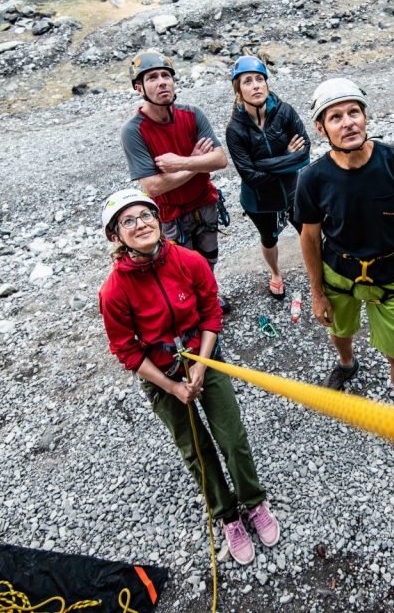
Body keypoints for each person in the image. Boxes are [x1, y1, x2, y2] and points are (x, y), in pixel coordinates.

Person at [98, 188, 279, 566]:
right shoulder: (114, 291)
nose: (141, 224)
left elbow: (211, 311)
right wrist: (172, 386)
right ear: (116, 236)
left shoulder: (188, 260)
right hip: (162, 376)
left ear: (158, 220)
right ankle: (227, 515)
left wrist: (200, 364)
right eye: (128, 221)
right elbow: (127, 350)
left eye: (146, 216)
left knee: (232, 437)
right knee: (196, 449)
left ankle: (253, 501)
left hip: (205, 359)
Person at [295, 78, 394, 425]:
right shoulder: (312, 179)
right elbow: (309, 238)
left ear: (366, 116)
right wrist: (316, 292)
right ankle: (347, 364)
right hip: (338, 272)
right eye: (336, 117)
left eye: (353, 112)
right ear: (321, 127)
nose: (348, 123)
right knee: (340, 329)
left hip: (387, 274)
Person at [120, 49, 228, 271]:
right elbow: (154, 186)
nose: (162, 83)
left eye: (166, 76)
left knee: (210, 257)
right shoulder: (134, 131)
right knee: (181, 266)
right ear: (138, 88)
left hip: (204, 202)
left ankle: (209, 296)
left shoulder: (192, 114)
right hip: (171, 214)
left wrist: (181, 163)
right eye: (152, 77)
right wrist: (198, 161)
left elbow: (219, 159)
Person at [225, 55, 311, 299]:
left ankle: (317, 270)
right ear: (239, 91)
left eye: (260, 79)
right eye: (248, 81)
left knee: (308, 232)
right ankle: (275, 272)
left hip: (294, 192)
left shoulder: (285, 112)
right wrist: (286, 157)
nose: (256, 85)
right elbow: (250, 176)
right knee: (269, 238)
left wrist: (265, 164)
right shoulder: (235, 129)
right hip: (259, 200)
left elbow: (304, 154)